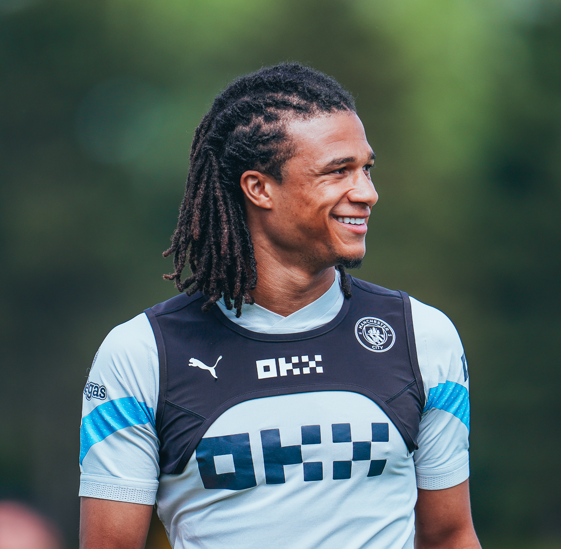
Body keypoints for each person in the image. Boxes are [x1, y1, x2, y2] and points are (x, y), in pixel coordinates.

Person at [79, 63, 481, 549]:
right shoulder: (141, 354)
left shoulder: (423, 336)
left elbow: (450, 537)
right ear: (259, 188)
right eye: (338, 171)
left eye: (366, 169)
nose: (367, 193)